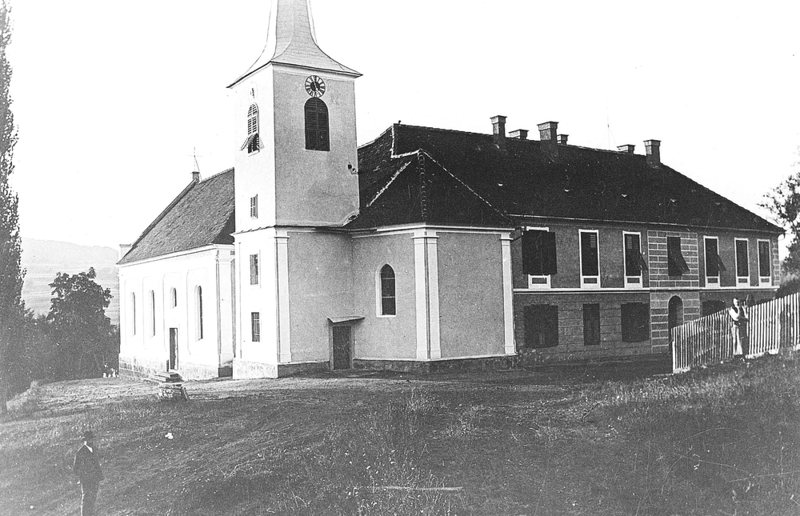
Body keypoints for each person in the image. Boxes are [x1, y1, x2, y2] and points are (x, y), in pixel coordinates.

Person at [73, 430, 104, 516]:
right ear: (84, 440)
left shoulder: (94, 449)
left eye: (91, 439)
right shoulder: (80, 452)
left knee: (93, 498)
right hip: (86, 480)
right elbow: (76, 468)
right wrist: (83, 476)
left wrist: (99, 475)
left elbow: (96, 463)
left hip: (95, 478)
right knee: (86, 499)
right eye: (88, 439)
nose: (90, 441)